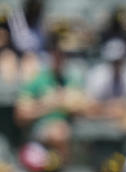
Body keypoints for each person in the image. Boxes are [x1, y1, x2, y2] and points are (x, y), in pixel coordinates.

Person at [14, 30, 87, 161]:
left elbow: (84, 109)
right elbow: (21, 115)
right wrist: (48, 104)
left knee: (62, 131)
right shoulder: (37, 80)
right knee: (58, 131)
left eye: (64, 55)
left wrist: (71, 104)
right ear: (51, 54)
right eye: (57, 54)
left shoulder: (70, 81)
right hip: (38, 134)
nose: (61, 58)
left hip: (65, 133)